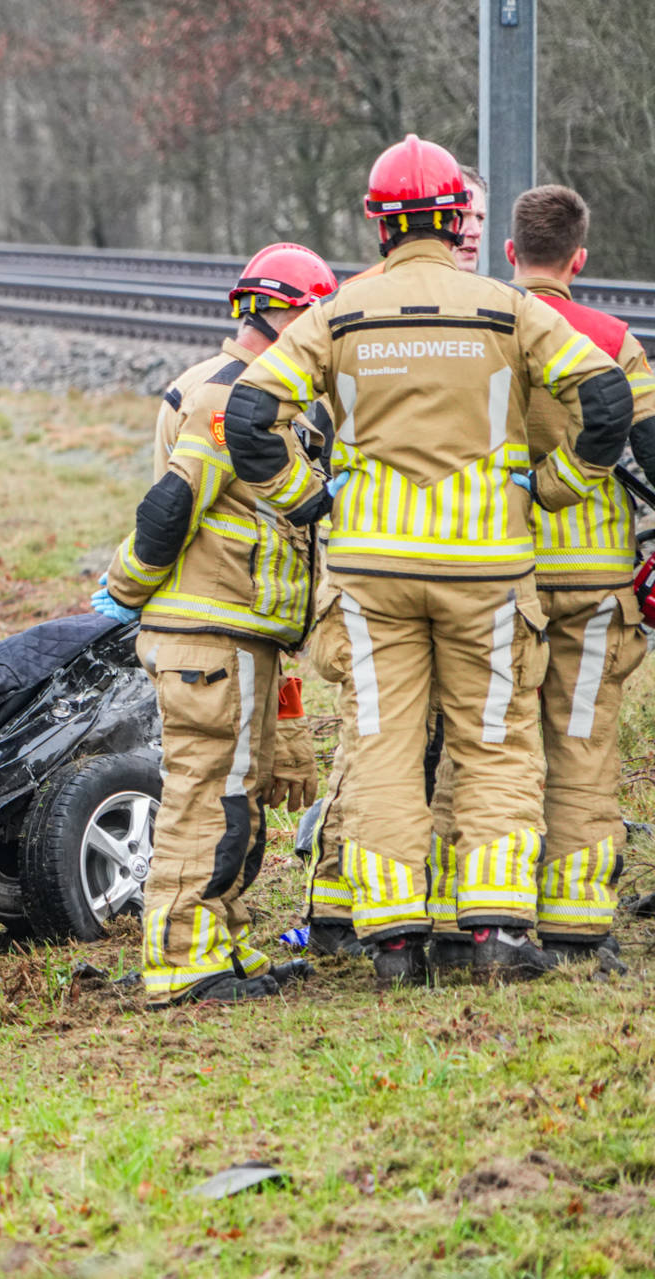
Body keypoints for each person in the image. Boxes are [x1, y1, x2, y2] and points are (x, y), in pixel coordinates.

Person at [224, 133, 635, 988]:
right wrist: (555, 486)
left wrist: (310, 499)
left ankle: (393, 940)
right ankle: (494, 931)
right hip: (486, 570)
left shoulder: (340, 313)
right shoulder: (505, 308)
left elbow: (250, 414)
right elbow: (604, 399)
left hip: (371, 573)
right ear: (456, 221)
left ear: (379, 223)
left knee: (380, 743)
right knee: (493, 742)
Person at [92, 242, 337, 1007]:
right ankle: (181, 957)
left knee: (238, 796)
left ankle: (220, 941)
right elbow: (172, 506)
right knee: (208, 798)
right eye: (317, 320)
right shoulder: (231, 397)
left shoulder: (240, 387)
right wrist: (124, 586)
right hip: (210, 634)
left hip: (238, 631)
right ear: (283, 315)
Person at [298, 165, 487, 960]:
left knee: (423, 739)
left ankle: (407, 905)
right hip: (384, 570)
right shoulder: (367, 309)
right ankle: (344, 904)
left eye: (477, 227)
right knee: (379, 740)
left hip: (430, 565)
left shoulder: (473, 310)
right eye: (464, 223)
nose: (468, 238)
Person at [504, 184, 655, 972]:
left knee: (492, 745)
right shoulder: (613, 340)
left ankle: (488, 910)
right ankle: (574, 921)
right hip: (594, 582)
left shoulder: (485, 328)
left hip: (499, 574)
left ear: (510, 253)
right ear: (579, 258)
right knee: (582, 743)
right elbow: (652, 449)